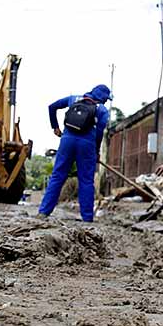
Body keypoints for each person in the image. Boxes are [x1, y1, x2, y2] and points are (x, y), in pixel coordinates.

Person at [38, 84, 112, 222]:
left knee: (57, 176)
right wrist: (95, 152)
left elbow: (52, 106)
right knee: (86, 181)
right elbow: (100, 133)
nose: (106, 101)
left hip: (67, 141)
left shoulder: (74, 98)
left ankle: (43, 212)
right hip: (87, 144)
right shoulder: (102, 110)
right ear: (102, 97)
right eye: (106, 99)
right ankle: (87, 218)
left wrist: (55, 127)